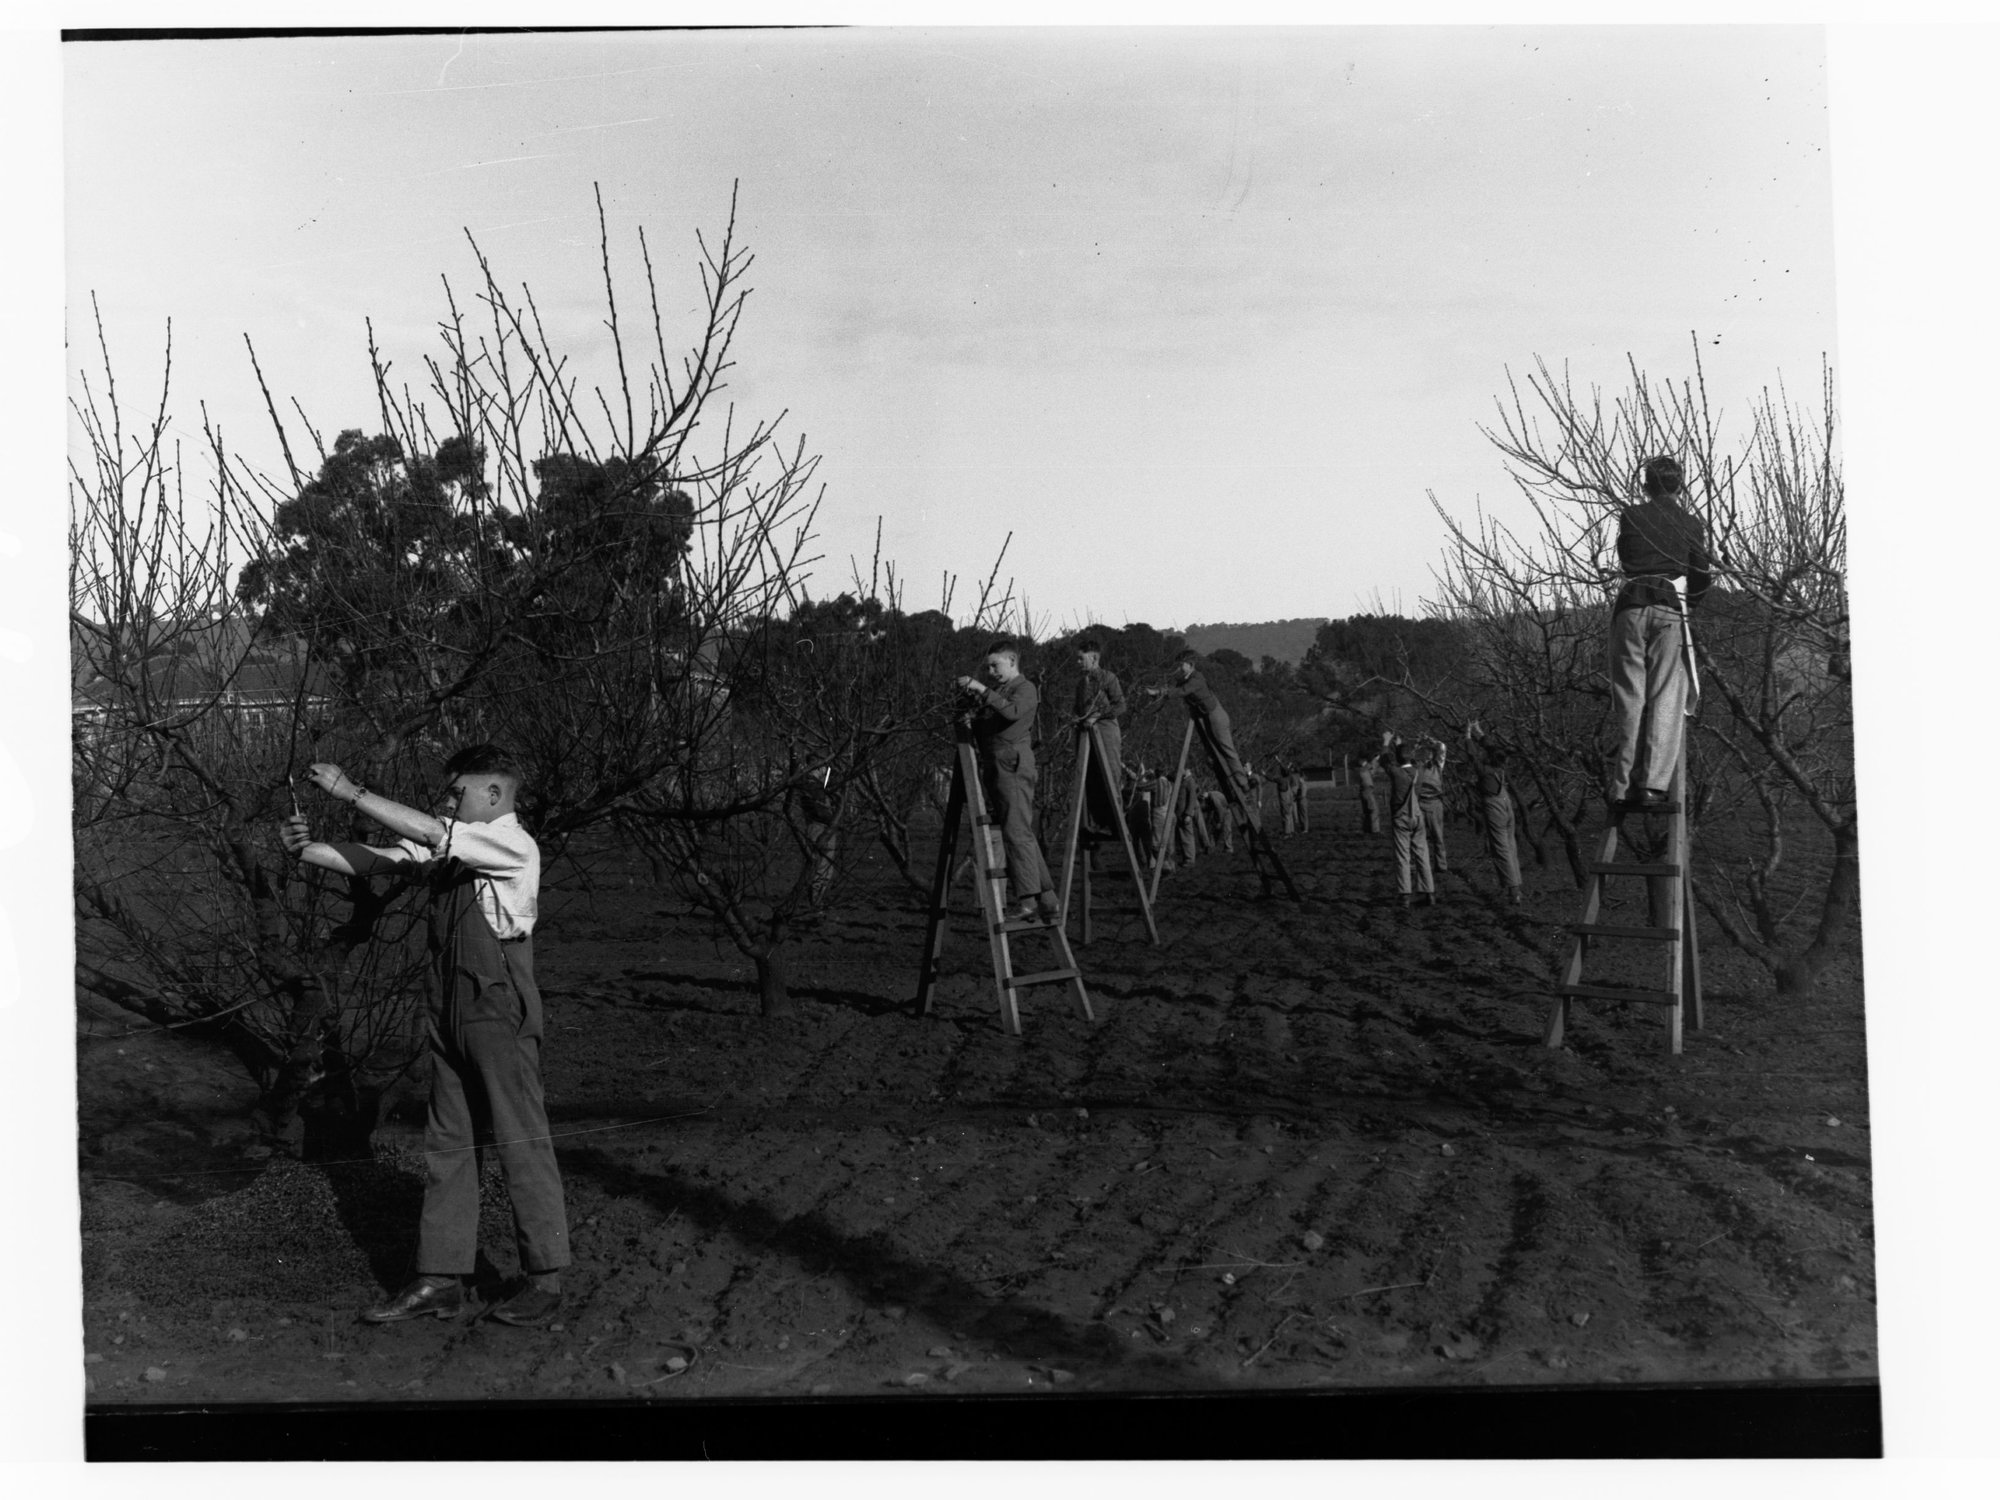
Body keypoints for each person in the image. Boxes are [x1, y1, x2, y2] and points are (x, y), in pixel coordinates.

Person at [281, 745, 570, 1327]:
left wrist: (351, 791)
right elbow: (384, 859)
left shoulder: (511, 845)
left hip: (496, 1008)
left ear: (494, 793)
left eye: (456, 790)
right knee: (448, 1141)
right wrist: (306, 850)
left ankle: (545, 1277)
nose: (447, 801)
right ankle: (441, 1278)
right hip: (447, 1006)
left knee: (520, 1137)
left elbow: (432, 835)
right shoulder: (454, 844)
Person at [1606, 455, 1713, 808]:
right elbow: (1702, 572)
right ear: (1679, 486)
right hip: (1669, 607)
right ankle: (1651, 785)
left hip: (1630, 607)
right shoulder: (1690, 523)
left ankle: (1621, 786)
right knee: (1667, 694)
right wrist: (1691, 604)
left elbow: (1624, 557)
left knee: (1629, 697)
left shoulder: (1630, 515)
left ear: (1645, 485)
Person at [956, 642, 1059, 923]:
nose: (990, 671)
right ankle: (1048, 900)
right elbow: (987, 729)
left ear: (1012, 660)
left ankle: (1028, 902)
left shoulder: (1025, 689)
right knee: (1020, 831)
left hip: (1012, 767)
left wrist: (980, 689)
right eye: (988, 667)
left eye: (995, 665)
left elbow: (1012, 713)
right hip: (998, 767)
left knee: (1016, 834)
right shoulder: (1000, 692)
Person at [1144, 650, 1260, 827]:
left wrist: (1159, 692)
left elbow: (1182, 691)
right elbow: (1177, 689)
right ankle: (1236, 784)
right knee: (1214, 753)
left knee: (1227, 750)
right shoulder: (1184, 679)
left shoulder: (1197, 679)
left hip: (1215, 715)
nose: (1178, 668)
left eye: (1181, 664)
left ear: (1190, 666)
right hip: (1205, 717)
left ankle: (1243, 784)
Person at [1072, 637, 1129, 843]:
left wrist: (1098, 716)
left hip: (1105, 734)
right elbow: (1077, 709)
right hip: (1085, 736)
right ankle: (1098, 824)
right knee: (1090, 779)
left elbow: (1120, 706)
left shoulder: (1108, 678)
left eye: (1081, 659)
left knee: (1110, 775)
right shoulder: (1080, 683)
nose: (1078, 663)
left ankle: (1116, 825)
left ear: (1094, 657)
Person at [1464, 721, 1523, 905]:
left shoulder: (1485, 771)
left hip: (1494, 805)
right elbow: (1491, 748)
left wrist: (1467, 736)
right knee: (1510, 845)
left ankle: (1513, 890)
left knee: (1500, 848)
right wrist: (1478, 732)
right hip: (1506, 802)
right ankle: (1516, 886)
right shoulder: (1500, 765)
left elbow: (1472, 755)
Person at [1374, 731, 1434, 907]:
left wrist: (1387, 741)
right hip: (1418, 816)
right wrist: (1400, 745)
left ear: (1398, 760)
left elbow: (1385, 759)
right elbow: (1410, 759)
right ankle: (1429, 892)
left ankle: (1405, 895)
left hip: (1400, 817)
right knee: (1422, 854)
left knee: (1403, 855)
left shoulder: (1396, 773)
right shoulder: (1419, 772)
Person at [1415, 736, 1449, 875]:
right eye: (1426, 753)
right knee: (1419, 836)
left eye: (1431, 753)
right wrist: (1418, 744)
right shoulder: (1417, 766)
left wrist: (1433, 741)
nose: (1428, 756)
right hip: (1420, 802)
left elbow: (1442, 747)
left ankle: (1441, 866)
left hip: (1435, 803)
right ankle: (1422, 864)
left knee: (1438, 836)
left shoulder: (1438, 765)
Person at [1355, 751, 1383, 835]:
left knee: (1367, 811)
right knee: (1373, 810)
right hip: (1367, 791)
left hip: (1365, 791)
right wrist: (1375, 759)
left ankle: (1367, 829)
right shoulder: (1363, 769)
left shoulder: (1363, 770)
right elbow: (1370, 766)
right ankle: (1375, 830)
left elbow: (1372, 769)